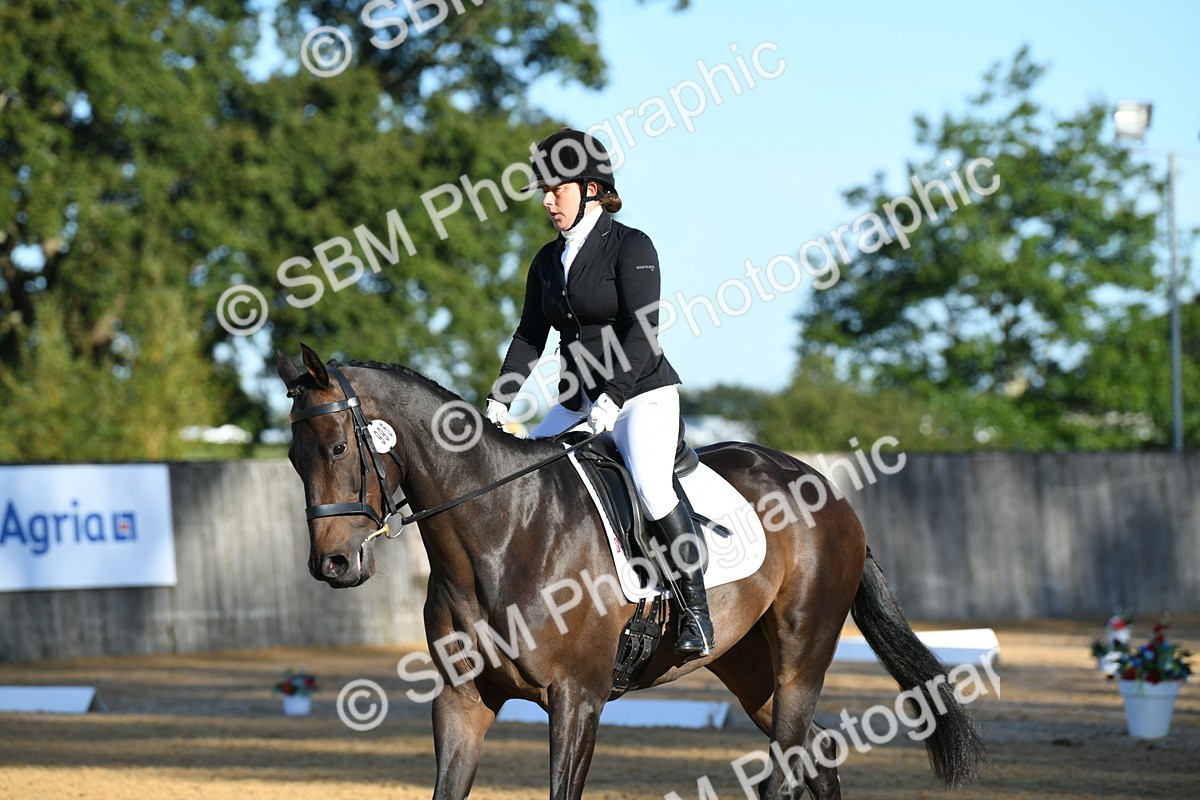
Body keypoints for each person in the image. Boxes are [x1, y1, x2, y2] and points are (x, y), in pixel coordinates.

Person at [486, 128, 714, 661]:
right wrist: (500, 403)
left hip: (641, 394)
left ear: (590, 188)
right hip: (575, 399)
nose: (546, 201)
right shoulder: (547, 261)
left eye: (556, 190)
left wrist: (612, 398)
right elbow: (529, 336)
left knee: (653, 486)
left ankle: (696, 613)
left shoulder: (631, 246)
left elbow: (643, 332)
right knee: (520, 474)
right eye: (543, 191)